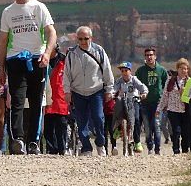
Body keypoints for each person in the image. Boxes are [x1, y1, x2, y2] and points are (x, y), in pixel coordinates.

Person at [0, 0, 57, 155]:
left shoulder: (39, 8)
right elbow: (3, 40)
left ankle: (34, 141)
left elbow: (51, 33)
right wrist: (2, 67)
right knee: (17, 101)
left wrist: (47, 54)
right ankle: (18, 140)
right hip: (15, 60)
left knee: (37, 101)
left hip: (37, 60)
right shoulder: (8, 12)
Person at [62, 26, 114, 157]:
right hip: (78, 91)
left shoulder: (99, 51)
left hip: (96, 90)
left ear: (91, 38)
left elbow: (107, 71)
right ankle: (86, 147)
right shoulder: (71, 54)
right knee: (81, 121)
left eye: (86, 39)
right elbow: (66, 74)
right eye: (80, 39)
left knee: (98, 117)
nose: (83, 42)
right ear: (76, 39)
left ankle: (100, 143)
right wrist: (67, 91)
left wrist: (109, 89)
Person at [134, 47, 168, 155]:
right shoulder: (140, 71)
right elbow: (135, 85)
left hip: (158, 103)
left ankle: (157, 149)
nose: (149, 57)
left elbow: (166, 85)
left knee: (156, 125)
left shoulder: (161, 70)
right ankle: (150, 147)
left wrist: (164, 100)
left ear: (155, 56)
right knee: (147, 127)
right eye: (147, 55)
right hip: (144, 103)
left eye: (151, 55)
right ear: (145, 57)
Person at [111, 62, 148, 155]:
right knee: (117, 113)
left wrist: (144, 93)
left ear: (130, 71)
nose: (124, 73)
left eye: (126, 70)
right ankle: (118, 129)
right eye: (122, 71)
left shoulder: (134, 80)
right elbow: (114, 89)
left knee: (136, 119)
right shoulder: (119, 81)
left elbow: (142, 87)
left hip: (133, 101)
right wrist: (111, 94)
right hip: (123, 100)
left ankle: (137, 141)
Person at [157, 58, 190, 154]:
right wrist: (159, 108)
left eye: (186, 69)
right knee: (176, 131)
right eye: (182, 68)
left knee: (185, 132)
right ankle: (176, 150)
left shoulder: (190, 81)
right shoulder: (170, 80)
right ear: (177, 69)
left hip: (186, 110)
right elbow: (165, 96)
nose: (184, 71)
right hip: (173, 110)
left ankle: (185, 150)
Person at [44, 44, 69, 155]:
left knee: (61, 125)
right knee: (48, 127)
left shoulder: (65, 61)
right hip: (47, 99)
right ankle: (51, 150)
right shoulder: (43, 61)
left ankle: (62, 148)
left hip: (61, 99)